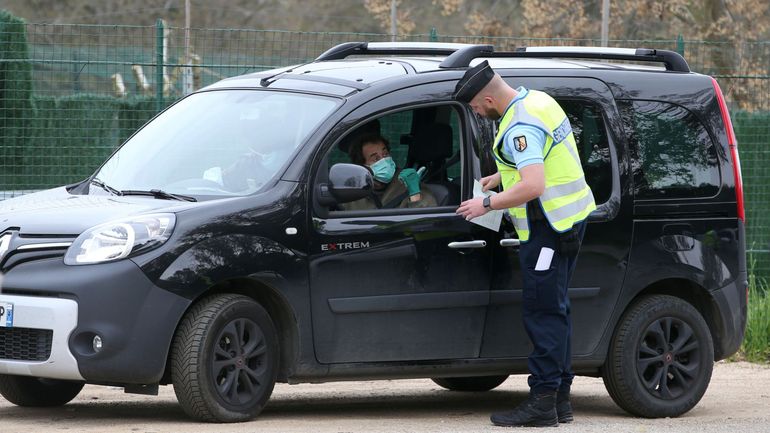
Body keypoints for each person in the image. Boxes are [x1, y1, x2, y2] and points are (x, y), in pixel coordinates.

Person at [454, 61, 596, 428]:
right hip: (569, 223)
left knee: (543, 313)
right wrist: (499, 176)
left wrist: (486, 203)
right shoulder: (537, 101)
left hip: (547, 229)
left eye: (474, 107)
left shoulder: (519, 126)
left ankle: (542, 403)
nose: (476, 113)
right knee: (558, 309)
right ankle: (560, 399)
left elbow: (534, 185)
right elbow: (542, 159)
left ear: (487, 98)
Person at [343, 133, 437, 210]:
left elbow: (426, 221)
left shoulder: (407, 181)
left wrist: (414, 193)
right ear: (362, 167)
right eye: (376, 158)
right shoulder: (353, 193)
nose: (384, 160)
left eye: (385, 154)